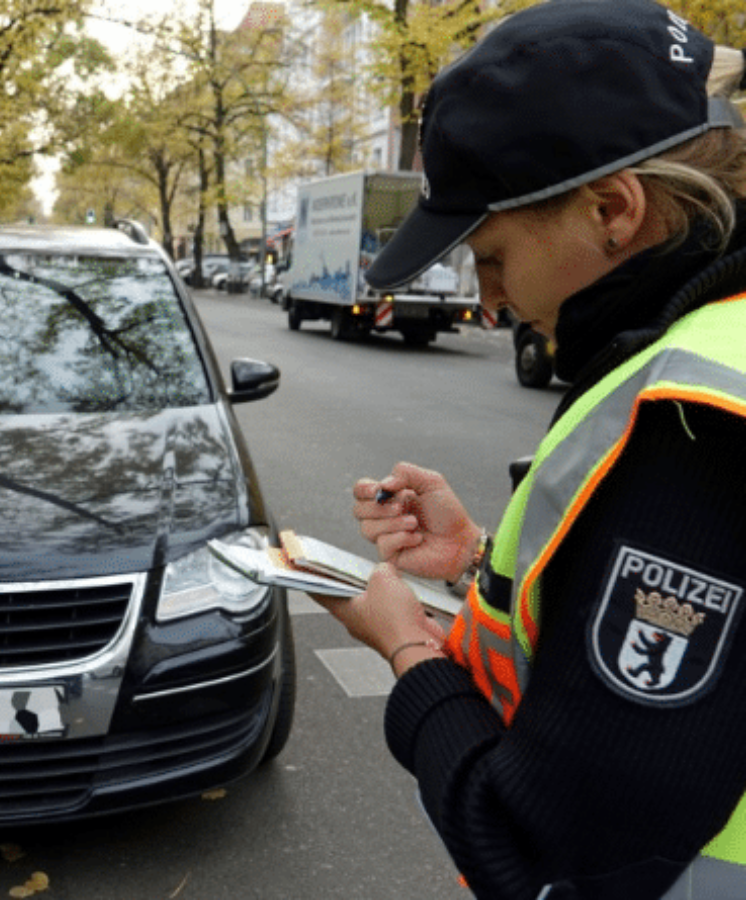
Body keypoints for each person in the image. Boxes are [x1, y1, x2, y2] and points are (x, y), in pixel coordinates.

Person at [308, 2, 746, 898]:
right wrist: (478, 564)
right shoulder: (709, 344)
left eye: (494, 255)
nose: (490, 300)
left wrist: (406, 652)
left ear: (612, 210)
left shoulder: (694, 418)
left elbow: (533, 847)